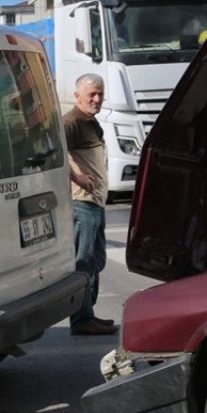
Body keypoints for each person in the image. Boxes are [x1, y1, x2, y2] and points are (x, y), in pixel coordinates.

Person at [63, 74, 118, 336]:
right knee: (83, 261)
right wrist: (77, 177)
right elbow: (55, 153)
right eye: (92, 94)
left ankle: (88, 313)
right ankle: (81, 319)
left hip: (96, 203)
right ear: (78, 96)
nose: (97, 99)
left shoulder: (91, 123)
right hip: (81, 203)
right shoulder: (71, 121)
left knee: (97, 259)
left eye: (100, 94)